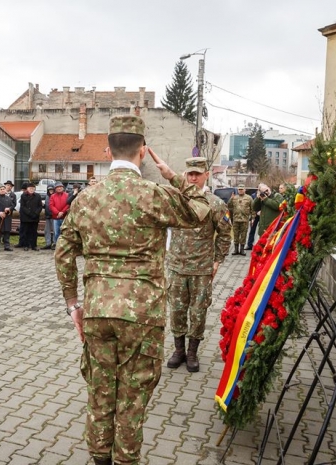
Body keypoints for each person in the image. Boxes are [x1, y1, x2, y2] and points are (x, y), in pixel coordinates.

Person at [55, 115, 212, 465]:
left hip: (97, 310)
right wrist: (173, 176)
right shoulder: (154, 193)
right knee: (132, 398)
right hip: (143, 314)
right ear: (143, 151)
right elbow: (200, 210)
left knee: (100, 391)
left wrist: (72, 305)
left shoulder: (85, 197)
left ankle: (100, 459)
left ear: (108, 150)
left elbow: (63, 253)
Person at [166, 158, 231, 373]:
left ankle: (192, 352)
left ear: (206, 175)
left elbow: (224, 234)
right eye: (190, 174)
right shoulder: (177, 200)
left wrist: (217, 261)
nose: (193, 177)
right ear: (185, 175)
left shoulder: (215, 203)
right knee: (176, 310)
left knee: (198, 311)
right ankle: (178, 350)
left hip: (202, 268)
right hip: (176, 265)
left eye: (197, 174)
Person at [228, 183, 254, 256]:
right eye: (239, 189)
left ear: (244, 190)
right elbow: (229, 206)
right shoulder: (234, 198)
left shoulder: (249, 198)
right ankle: (236, 249)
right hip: (235, 219)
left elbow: (253, 209)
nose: (240, 191)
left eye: (242, 189)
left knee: (243, 235)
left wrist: (253, 218)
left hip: (245, 220)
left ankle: (242, 250)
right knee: (236, 235)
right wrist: (231, 198)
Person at [20, 182, 43, 251]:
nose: (31, 190)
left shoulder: (38, 196)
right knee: (26, 231)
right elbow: (23, 206)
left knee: (34, 232)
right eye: (30, 188)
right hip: (26, 217)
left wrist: (36, 213)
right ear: (27, 189)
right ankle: (26, 245)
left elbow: (40, 206)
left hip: (35, 217)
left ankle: (34, 245)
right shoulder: (23, 195)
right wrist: (29, 213)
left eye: (33, 188)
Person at [0, 183, 14, 252]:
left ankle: (7, 246)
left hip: (7, 218)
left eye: (3, 189)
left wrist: (9, 209)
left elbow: (12, 206)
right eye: (1, 189)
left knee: (7, 232)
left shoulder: (8, 198)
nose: (2, 190)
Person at [49, 183, 69, 249]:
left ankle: (65, 246)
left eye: (60, 187)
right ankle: (58, 246)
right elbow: (51, 206)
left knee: (65, 233)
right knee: (57, 233)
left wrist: (62, 212)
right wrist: (58, 213)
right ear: (55, 189)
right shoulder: (52, 196)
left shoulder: (67, 195)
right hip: (56, 218)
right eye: (57, 187)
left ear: (63, 188)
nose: (59, 188)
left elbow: (68, 204)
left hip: (65, 218)